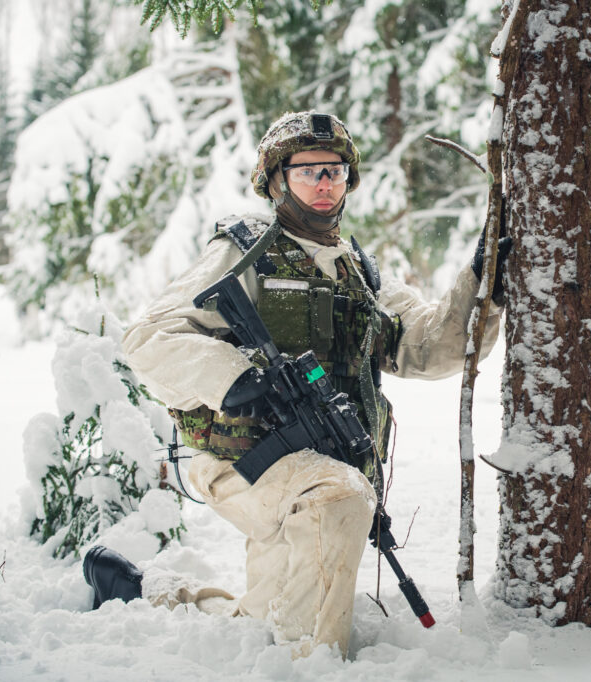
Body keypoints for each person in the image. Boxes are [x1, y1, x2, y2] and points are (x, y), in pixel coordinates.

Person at [83, 111, 509, 658]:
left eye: (334, 170)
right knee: (339, 499)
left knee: (258, 619)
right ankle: (311, 667)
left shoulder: (360, 272)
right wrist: (237, 378)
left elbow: (429, 347)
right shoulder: (246, 251)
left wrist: (483, 280)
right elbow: (150, 335)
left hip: (317, 463)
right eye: (308, 170)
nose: (325, 182)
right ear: (277, 180)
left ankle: (141, 590)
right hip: (246, 461)